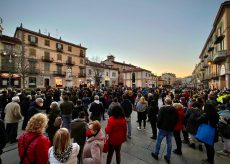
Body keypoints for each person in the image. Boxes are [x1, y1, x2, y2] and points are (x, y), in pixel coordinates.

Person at [151, 97, 178, 164]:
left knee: (158, 141)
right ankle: (168, 157)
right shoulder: (174, 109)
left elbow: (159, 119)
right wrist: (173, 126)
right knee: (169, 143)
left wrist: (158, 126)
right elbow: (176, 119)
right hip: (170, 129)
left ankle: (156, 154)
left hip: (163, 128)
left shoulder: (162, 108)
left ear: (165, 102)